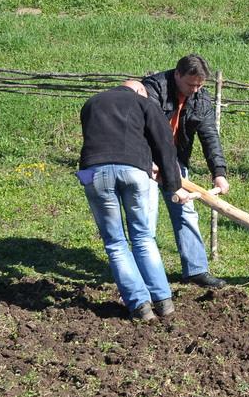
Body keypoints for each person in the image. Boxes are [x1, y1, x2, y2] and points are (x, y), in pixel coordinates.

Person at [79, 80, 194, 321]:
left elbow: (100, 140)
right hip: (133, 173)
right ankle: (163, 302)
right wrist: (174, 185)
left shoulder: (91, 104)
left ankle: (140, 306)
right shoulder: (142, 103)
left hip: (94, 173)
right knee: (142, 237)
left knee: (115, 243)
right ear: (140, 91)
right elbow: (164, 144)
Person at [142, 54, 229, 289]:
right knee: (147, 216)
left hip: (174, 160)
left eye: (200, 85)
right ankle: (147, 275)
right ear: (177, 74)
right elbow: (143, 127)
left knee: (186, 212)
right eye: (191, 84)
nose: (195, 89)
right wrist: (150, 162)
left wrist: (218, 171)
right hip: (147, 161)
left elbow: (209, 134)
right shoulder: (153, 89)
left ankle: (196, 270)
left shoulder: (200, 97)